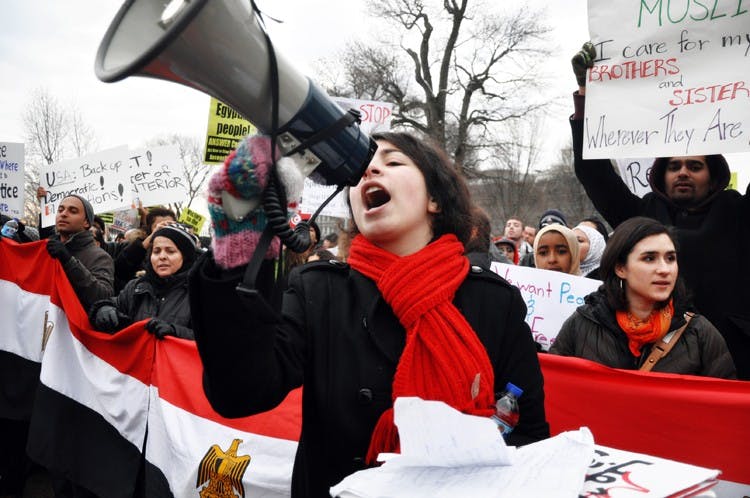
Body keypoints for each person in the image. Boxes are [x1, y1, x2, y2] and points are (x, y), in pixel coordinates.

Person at [189, 132, 550, 497]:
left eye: (393, 162)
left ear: (436, 200)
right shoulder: (317, 291)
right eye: (361, 168)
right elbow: (240, 392)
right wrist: (239, 243)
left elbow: (528, 436)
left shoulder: (493, 302)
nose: (371, 169)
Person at [570, 42, 750, 379]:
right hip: (662, 362)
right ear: (661, 176)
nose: (683, 172)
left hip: (735, 360)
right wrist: (587, 95)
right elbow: (594, 173)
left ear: (712, 177)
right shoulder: (642, 217)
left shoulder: (738, 212)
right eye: (675, 166)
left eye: (694, 165)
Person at [550, 217, 736, 378]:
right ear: (620, 268)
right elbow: (555, 389)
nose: (664, 269)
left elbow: (722, 407)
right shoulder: (582, 324)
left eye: (670, 258)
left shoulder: (700, 333)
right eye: (649, 258)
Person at [89, 222, 198, 340]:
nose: (162, 257)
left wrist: (176, 332)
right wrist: (103, 309)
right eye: (156, 251)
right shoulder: (136, 287)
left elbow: (214, 340)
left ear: (186, 257)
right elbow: (112, 304)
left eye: (170, 251)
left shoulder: (200, 294)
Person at [46, 195, 114, 312]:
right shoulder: (48, 249)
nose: (64, 214)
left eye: (73, 211)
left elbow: (104, 297)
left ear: (87, 222)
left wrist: (69, 262)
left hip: (72, 328)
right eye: (60, 210)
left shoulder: (100, 257)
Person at [114, 206, 177, 292]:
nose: (165, 229)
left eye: (170, 225)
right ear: (149, 229)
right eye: (158, 226)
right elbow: (120, 268)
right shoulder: (137, 248)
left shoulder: (182, 251)